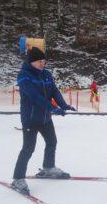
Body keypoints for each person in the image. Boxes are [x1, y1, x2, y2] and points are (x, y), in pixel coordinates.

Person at [11, 47, 76, 194]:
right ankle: (17, 178)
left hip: (45, 118)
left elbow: (54, 91)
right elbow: (35, 98)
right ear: (32, 62)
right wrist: (53, 108)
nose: (42, 64)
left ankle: (48, 168)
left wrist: (64, 105)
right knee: (28, 148)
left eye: (44, 61)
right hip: (31, 119)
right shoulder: (24, 76)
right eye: (39, 61)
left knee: (52, 142)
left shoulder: (46, 74)